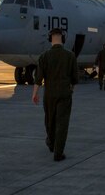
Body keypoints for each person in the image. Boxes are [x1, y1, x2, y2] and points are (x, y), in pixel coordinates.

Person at [32, 28, 78, 161]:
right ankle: (58, 152)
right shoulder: (70, 56)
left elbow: (38, 79)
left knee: (50, 121)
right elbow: (75, 79)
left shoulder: (44, 56)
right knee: (62, 123)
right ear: (63, 39)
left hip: (49, 94)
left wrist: (35, 94)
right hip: (64, 93)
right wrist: (71, 91)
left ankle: (51, 143)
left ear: (49, 39)